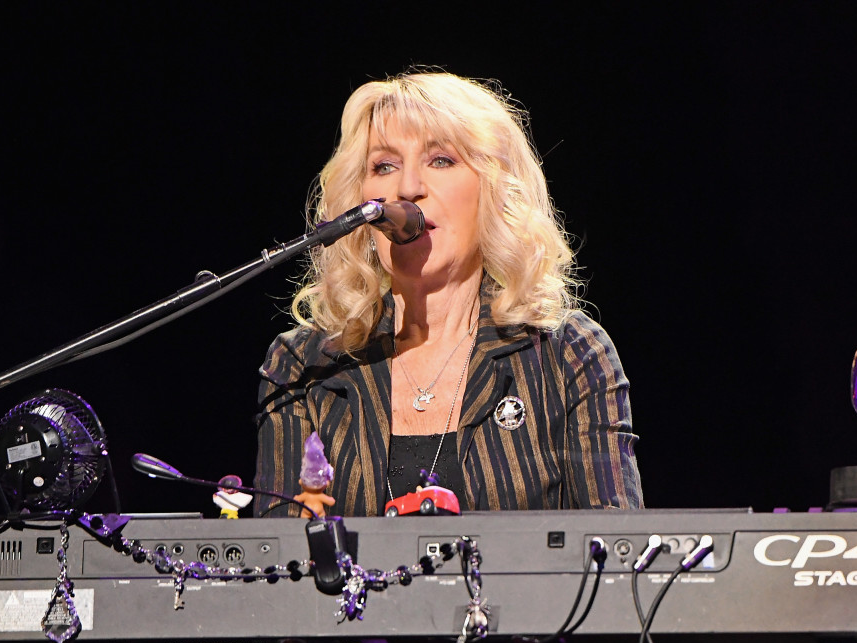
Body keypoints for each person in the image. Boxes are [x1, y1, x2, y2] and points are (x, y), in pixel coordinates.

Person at [253, 70, 643, 517]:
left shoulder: (566, 354)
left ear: (494, 190)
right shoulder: (305, 367)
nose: (407, 188)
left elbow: (618, 559)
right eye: (384, 166)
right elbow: (277, 567)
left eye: (440, 160)